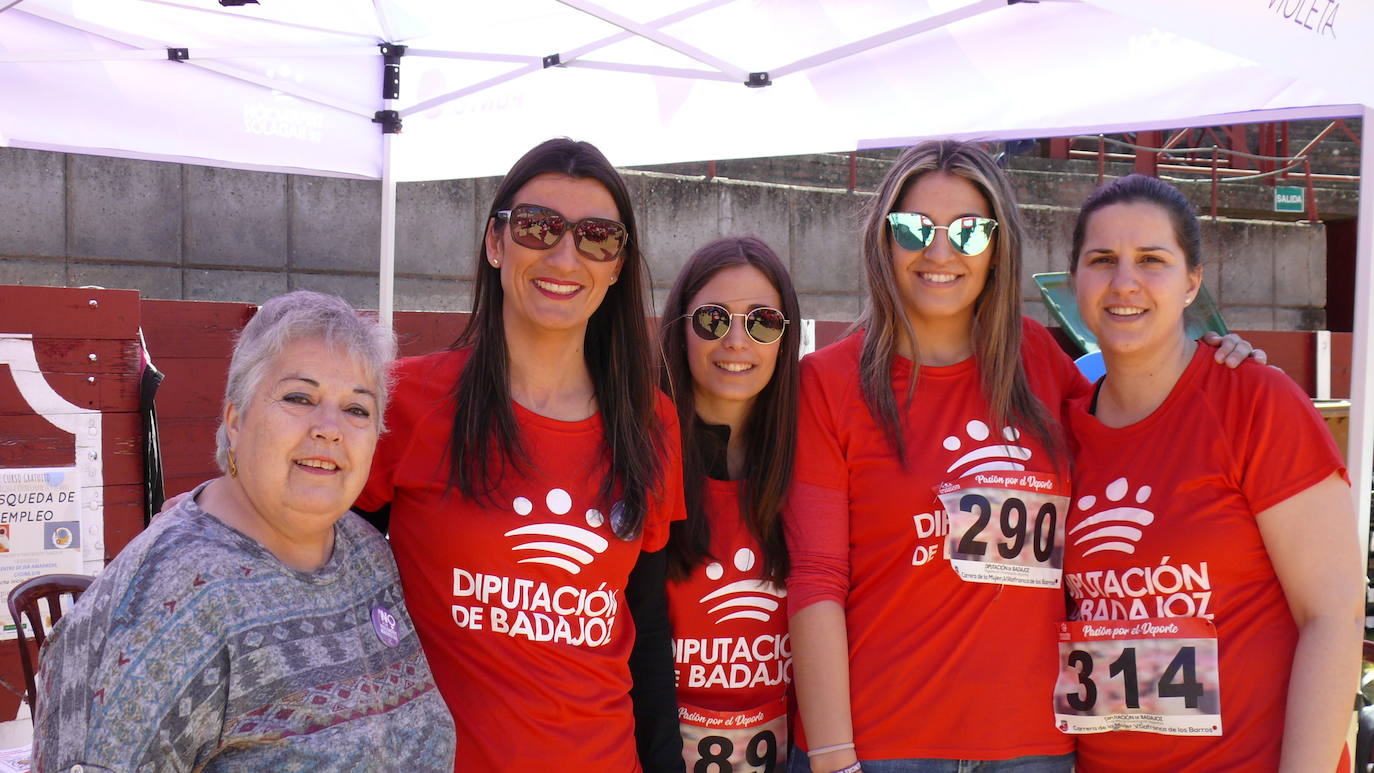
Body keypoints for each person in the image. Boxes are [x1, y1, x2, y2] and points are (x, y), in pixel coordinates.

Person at [783, 140, 1261, 773]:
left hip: (1034, 748)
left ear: (999, 243)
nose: (940, 251)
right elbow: (816, 580)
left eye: (969, 232)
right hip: (882, 747)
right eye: (914, 228)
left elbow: (1140, 418)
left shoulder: (1041, 362)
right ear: (883, 238)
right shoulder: (828, 382)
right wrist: (835, 758)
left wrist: (1225, 367)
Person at [354, 138, 687, 772]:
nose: (566, 255)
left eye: (597, 237)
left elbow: (645, 636)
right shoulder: (408, 404)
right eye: (538, 228)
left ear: (617, 265)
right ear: (495, 243)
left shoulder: (652, 423)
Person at [35, 291, 456, 772]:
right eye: (300, 397)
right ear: (235, 420)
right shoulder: (163, 601)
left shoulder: (367, 553)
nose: (330, 428)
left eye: (357, 409)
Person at [1057, 174, 1362, 772]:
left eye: (1152, 260)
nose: (1125, 282)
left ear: (1192, 281)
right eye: (1102, 260)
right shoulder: (1057, 428)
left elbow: (1333, 615)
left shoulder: (1255, 402)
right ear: (1075, 281)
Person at [660, 237, 800, 771]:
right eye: (713, 319)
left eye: (762, 321)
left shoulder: (814, 462)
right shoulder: (641, 456)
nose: (737, 341)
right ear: (681, 327)